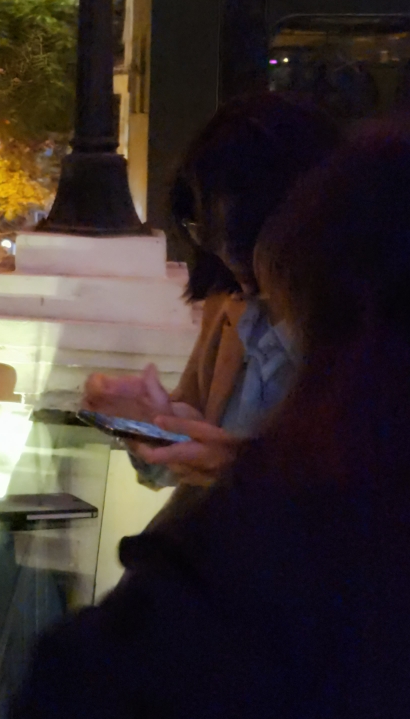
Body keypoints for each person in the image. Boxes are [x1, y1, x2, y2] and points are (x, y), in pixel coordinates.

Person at [10, 118, 410, 719]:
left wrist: (245, 475)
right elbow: (188, 447)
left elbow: (66, 703)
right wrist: (147, 426)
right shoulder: (234, 314)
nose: (217, 241)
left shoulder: (316, 493)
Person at [83, 93, 339, 488]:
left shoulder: (366, 335)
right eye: (204, 229)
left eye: (240, 235)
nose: (225, 256)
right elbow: (185, 457)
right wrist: (151, 424)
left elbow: (372, 495)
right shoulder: (231, 306)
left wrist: (244, 472)